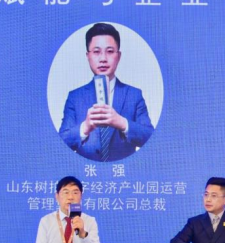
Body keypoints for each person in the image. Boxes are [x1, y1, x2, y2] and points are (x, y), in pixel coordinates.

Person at [58, 23, 154, 162]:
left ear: (118, 56)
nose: (103, 58)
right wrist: (85, 127)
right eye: (96, 51)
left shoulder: (134, 95)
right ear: (88, 56)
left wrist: (122, 123)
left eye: (109, 51)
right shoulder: (75, 97)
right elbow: (60, 143)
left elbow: (151, 138)